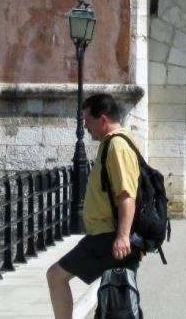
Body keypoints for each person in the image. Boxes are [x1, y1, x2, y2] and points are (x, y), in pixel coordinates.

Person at [46, 94, 142, 319]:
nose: (85, 128)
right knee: (111, 299)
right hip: (105, 234)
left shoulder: (117, 146)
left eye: (87, 121)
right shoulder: (119, 141)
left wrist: (123, 236)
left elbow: (126, 195)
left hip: (107, 236)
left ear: (103, 119)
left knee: (56, 276)